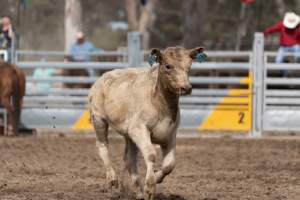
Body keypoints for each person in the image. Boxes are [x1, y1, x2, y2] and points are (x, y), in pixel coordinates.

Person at [264, 12, 300, 76]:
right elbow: (272, 29)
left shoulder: (298, 27)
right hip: (284, 47)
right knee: (278, 62)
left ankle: (291, 68)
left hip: (295, 46)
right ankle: (286, 73)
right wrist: (266, 32)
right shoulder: (282, 25)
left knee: (297, 56)